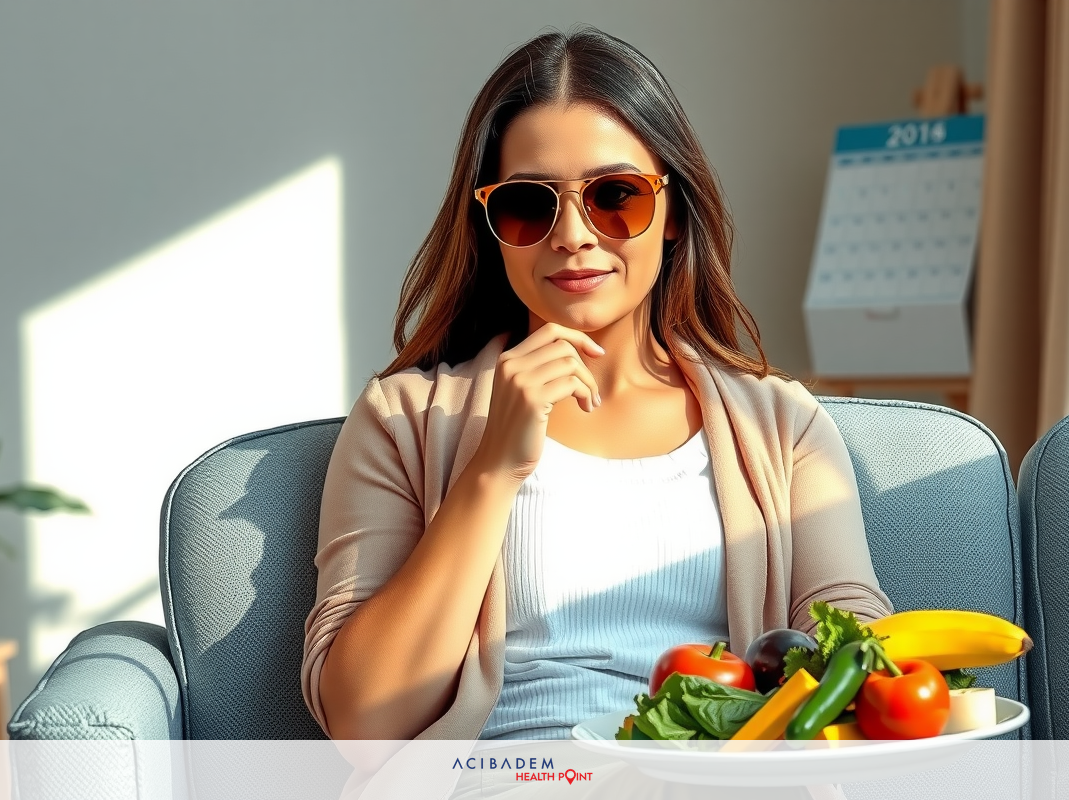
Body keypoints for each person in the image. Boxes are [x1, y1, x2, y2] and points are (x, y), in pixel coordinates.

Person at [301, 25, 893, 752]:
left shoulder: (784, 429)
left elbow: (857, 661)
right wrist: (491, 471)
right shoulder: (403, 420)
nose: (574, 234)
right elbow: (363, 720)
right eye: (529, 203)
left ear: (673, 213)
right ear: (490, 226)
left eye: (616, 195)